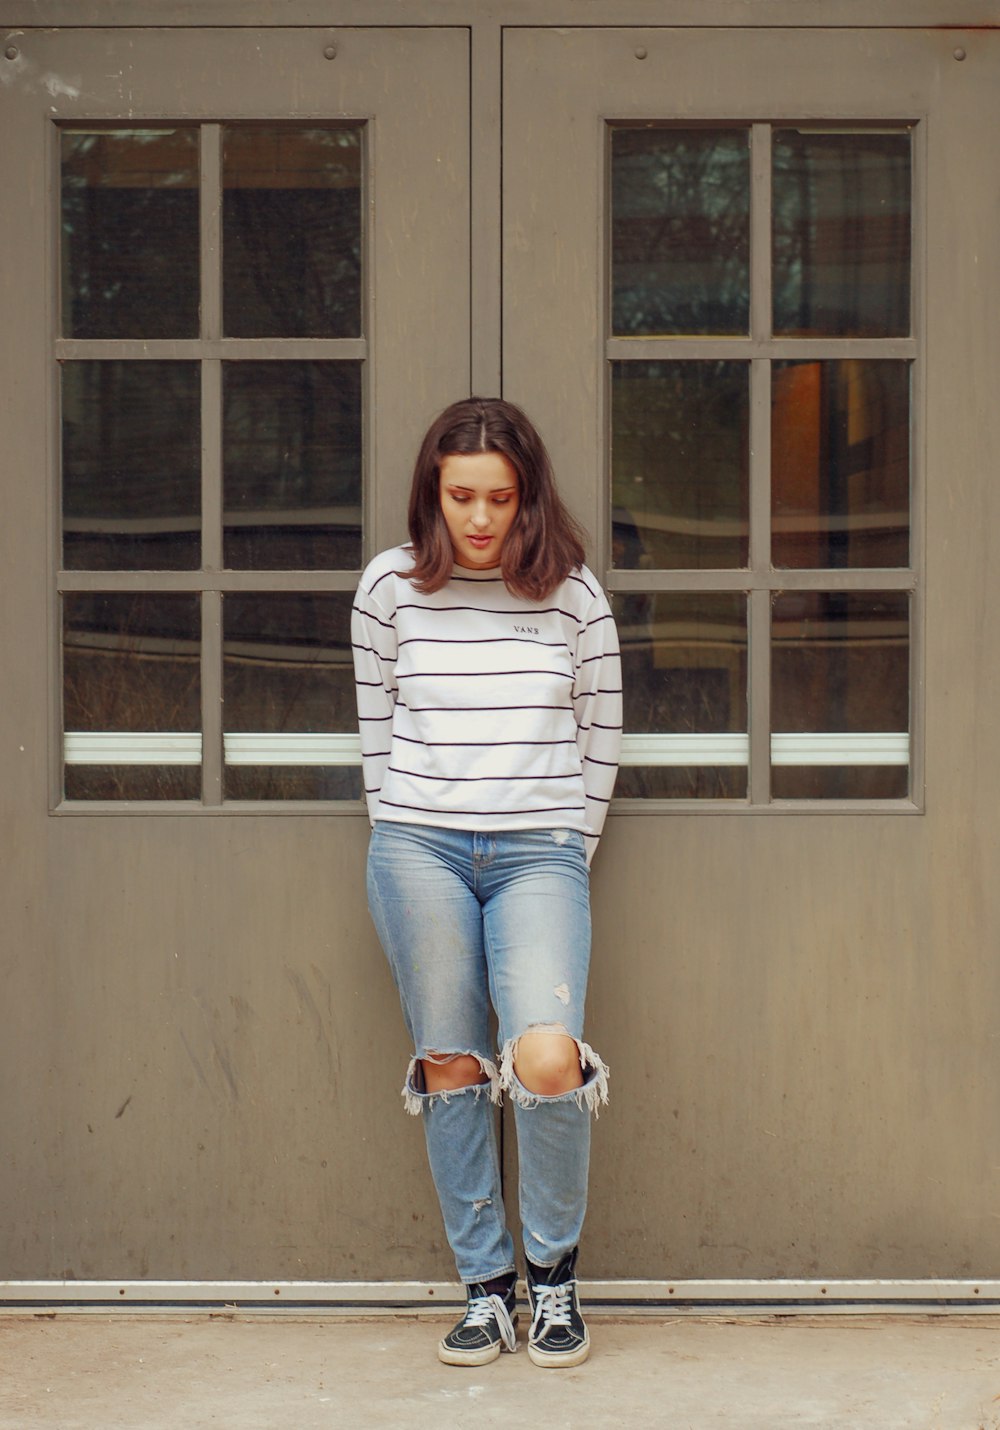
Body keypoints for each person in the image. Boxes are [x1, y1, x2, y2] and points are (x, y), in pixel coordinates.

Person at [351, 397, 621, 1368]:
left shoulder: (572, 595)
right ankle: (486, 1287)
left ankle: (553, 1277)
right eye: (459, 494)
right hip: (417, 846)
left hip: (539, 850)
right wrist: (399, 828)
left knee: (545, 1055)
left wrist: (561, 848)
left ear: (525, 497)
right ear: (432, 490)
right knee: (449, 1059)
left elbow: (602, 738)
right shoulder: (388, 587)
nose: (477, 517)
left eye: (497, 497)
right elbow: (375, 730)